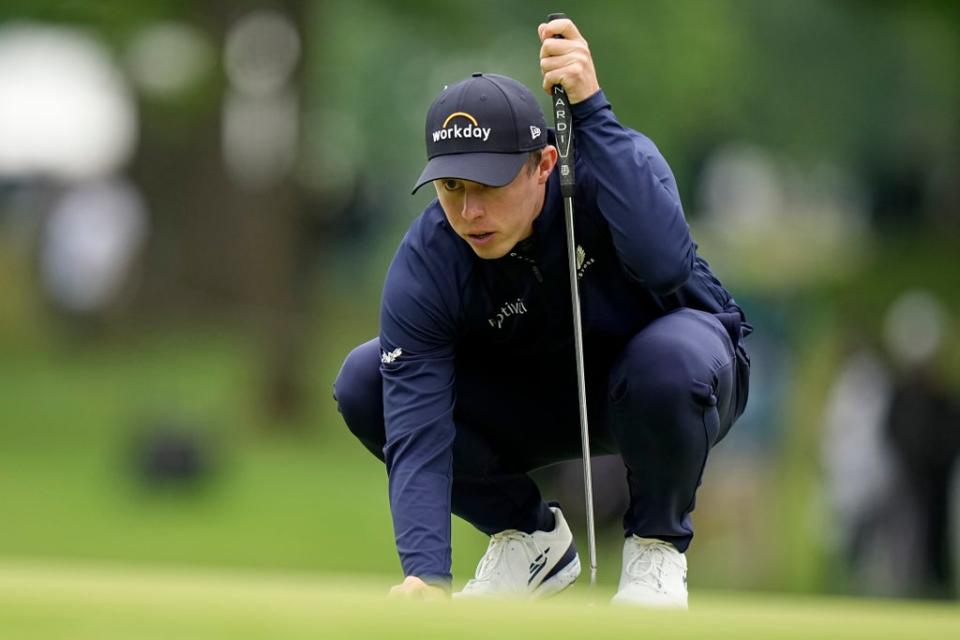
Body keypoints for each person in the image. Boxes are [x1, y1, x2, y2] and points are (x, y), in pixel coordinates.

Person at [334, 17, 751, 607]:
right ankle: (531, 541)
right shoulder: (428, 261)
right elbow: (416, 426)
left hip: (676, 386)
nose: (470, 210)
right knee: (363, 380)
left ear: (544, 164)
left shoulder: (613, 165)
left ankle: (655, 553)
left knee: (666, 359)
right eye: (451, 186)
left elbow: (665, 267)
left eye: (490, 183)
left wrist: (594, 111)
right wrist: (426, 573)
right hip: (537, 403)